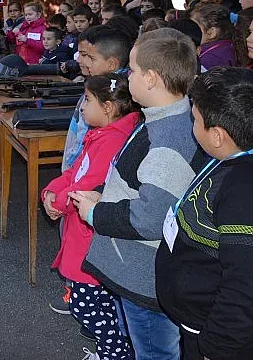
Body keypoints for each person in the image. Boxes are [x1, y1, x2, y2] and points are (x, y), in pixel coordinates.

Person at [155, 67, 253, 360]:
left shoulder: (248, 193)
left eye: (195, 119)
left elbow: (247, 287)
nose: (192, 125)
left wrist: (214, 349)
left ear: (217, 136)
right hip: (201, 323)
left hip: (226, 342)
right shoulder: (231, 158)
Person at [70, 28, 199, 360]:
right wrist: (102, 194)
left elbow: (151, 217)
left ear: (152, 78)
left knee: (155, 352)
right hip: (138, 270)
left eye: (133, 70)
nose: (128, 77)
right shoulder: (156, 119)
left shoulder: (167, 138)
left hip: (146, 278)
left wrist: (95, 214)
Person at [43, 74, 141, 360]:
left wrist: (59, 202)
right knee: (95, 306)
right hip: (83, 233)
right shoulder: (101, 134)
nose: (82, 107)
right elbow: (75, 173)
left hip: (92, 240)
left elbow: (90, 184)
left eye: (87, 100)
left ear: (108, 107)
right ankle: (111, 351)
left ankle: (114, 355)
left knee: (90, 306)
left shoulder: (112, 141)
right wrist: (51, 192)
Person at [51, 25, 132, 314]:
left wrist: (60, 199)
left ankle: (80, 293)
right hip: (75, 181)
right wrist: (55, 189)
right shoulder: (99, 96)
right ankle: (75, 290)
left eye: (89, 56)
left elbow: (93, 179)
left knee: (97, 306)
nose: (82, 61)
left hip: (83, 199)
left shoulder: (110, 131)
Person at [191, 3, 236, 70]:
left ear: (211, 33)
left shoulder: (209, 59)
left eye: (193, 26)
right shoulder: (227, 47)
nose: (190, 29)